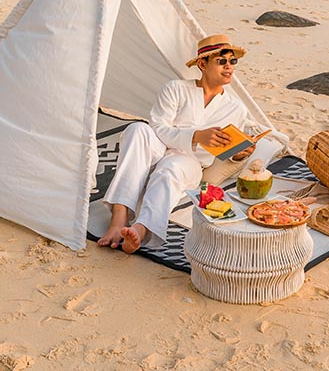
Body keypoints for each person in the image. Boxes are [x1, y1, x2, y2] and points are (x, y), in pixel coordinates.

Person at [97, 34, 287, 253]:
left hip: (191, 162)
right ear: (202, 64)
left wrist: (240, 154)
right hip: (157, 148)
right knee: (137, 129)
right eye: (222, 61)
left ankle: (141, 229)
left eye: (233, 61)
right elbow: (158, 127)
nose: (229, 67)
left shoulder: (236, 108)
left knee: (171, 168)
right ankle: (119, 217)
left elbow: (223, 152)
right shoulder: (175, 89)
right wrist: (196, 136)